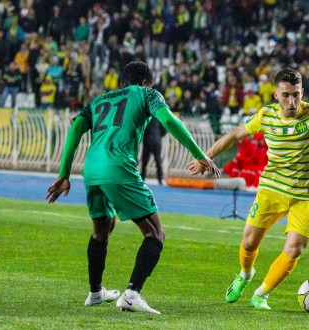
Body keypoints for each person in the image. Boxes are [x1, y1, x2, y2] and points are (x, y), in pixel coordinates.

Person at [45, 61, 220, 314]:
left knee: (102, 230)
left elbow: (75, 129)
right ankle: (131, 294)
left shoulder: (98, 100)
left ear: (121, 83)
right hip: (118, 167)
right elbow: (169, 122)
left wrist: (63, 174)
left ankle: (95, 293)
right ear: (147, 82)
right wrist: (201, 155)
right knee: (155, 233)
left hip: (91, 170)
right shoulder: (148, 94)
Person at [189, 68, 309, 310]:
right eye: (286, 95)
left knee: (294, 249)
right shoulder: (266, 116)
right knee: (249, 243)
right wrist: (205, 158)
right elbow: (233, 135)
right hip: (272, 189)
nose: (292, 101)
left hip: (306, 196)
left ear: (302, 92)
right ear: (276, 94)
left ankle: (262, 294)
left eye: (296, 94)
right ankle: (245, 274)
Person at [140, 116, 166, 185]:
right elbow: (164, 129)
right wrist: (159, 136)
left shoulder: (145, 118)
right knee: (158, 161)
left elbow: (141, 130)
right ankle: (160, 179)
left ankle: (142, 178)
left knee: (144, 162)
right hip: (157, 141)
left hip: (147, 141)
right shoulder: (158, 117)